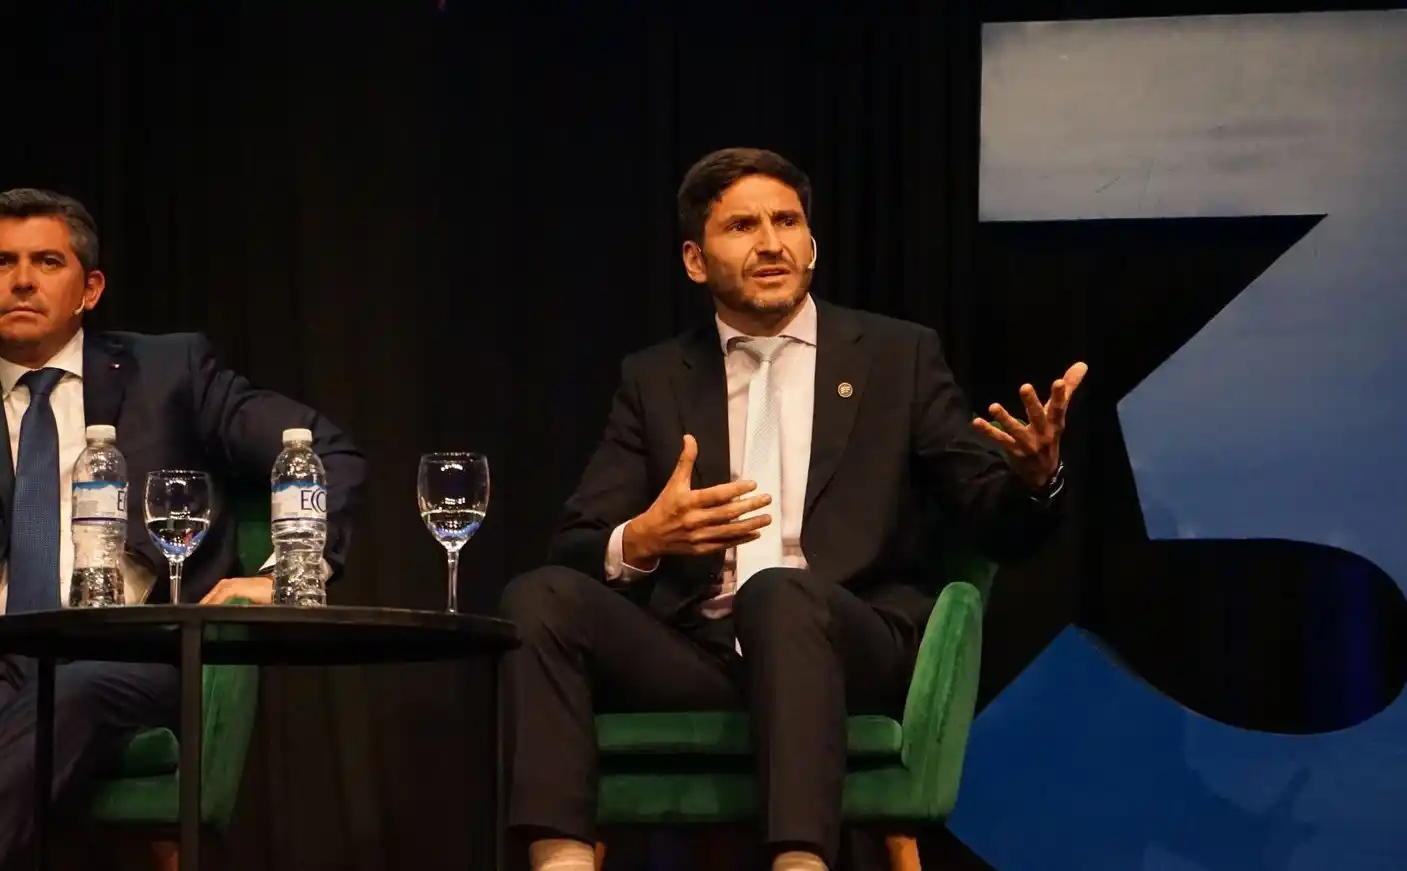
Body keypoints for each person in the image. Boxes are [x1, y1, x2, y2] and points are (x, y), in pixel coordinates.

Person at [500, 147, 1087, 871]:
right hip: (704, 652)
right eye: (742, 226)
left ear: (810, 241)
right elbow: (579, 541)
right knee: (539, 598)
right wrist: (643, 537)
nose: (771, 242)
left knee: (778, 592)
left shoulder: (895, 356)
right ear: (694, 259)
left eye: (787, 221)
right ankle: (561, 862)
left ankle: (799, 863)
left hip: (846, 640)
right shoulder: (654, 378)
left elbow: (991, 518)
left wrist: (1035, 479)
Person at [0, 188, 365, 864]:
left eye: (46, 260)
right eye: (3, 261)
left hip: (133, 655)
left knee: (78, 685)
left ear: (90, 287)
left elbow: (321, 449)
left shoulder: (166, 372)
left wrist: (288, 573)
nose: (22, 279)